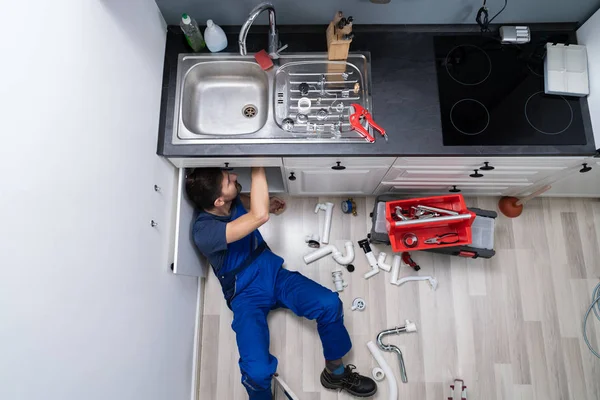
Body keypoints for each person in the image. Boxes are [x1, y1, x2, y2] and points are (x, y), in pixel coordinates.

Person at [186, 167, 377, 400]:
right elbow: (258, 216)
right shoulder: (203, 231)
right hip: (246, 297)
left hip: (274, 276)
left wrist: (268, 205)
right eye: (228, 180)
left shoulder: (231, 201)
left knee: (329, 304)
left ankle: (335, 373)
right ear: (218, 200)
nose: (234, 177)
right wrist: (259, 162)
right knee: (256, 371)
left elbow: (250, 206)